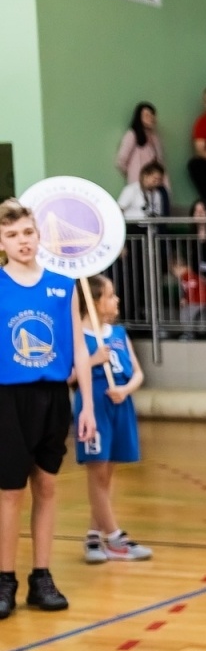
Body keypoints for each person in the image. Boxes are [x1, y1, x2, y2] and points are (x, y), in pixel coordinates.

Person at [0, 200, 96, 617]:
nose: (22, 241)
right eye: (12, 235)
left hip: (54, 397)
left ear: (39, 236)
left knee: (48, 486)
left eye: (27, 233)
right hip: (7, 398)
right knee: (10, 492)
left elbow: (79, 347)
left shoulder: (63, 284)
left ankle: (42, 577)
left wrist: (87, 404)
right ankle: (5, 579)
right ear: (1, 241)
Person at [70, 276, 150, 564]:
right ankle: (115, 537)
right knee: (97, 473)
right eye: (110, 295)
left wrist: (126, 389)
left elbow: (138, 373)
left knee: (108, 475)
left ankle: (93, 535)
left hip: (120, 402)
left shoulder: (118, 333)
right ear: (94, 303)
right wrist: (91, 361)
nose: (116, 300)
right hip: (94, 405)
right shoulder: (78, 334)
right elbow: (67, 377)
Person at [116, 103, 166, 192]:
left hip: (155, 183)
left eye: (152, 114)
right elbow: (121, 160)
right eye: (147, 115)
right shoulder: (132, 135)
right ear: (139, 117)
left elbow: (159, 160)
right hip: (138, 181)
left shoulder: (155, 138)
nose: (150, 117)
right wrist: (133, 173)